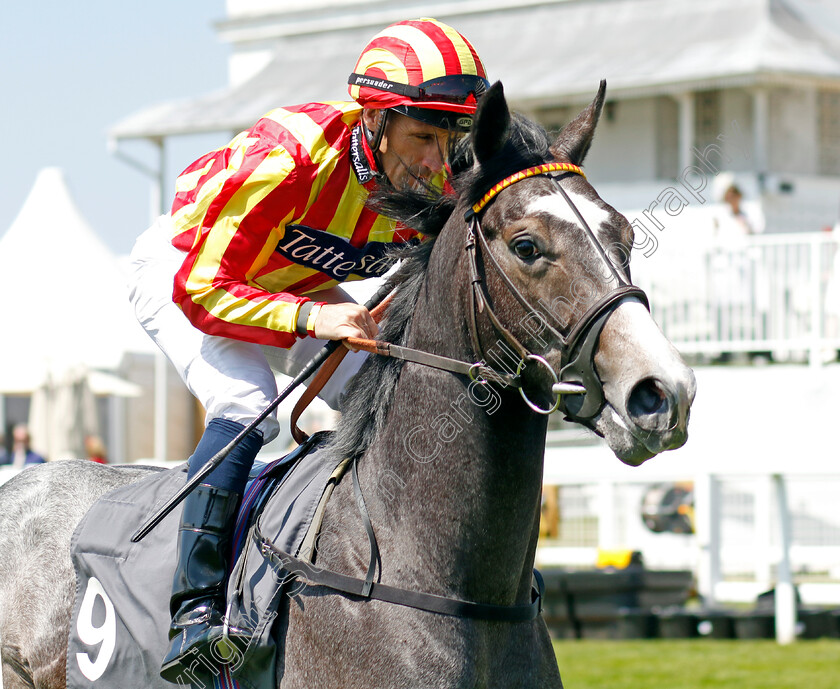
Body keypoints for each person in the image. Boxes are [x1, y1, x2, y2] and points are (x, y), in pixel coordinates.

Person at [126, 18, 488, 680]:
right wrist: (317, 316)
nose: (439, 161)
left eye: (448, 138)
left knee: (395, 391)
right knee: (247, 400)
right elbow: (202, 288)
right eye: (423, 137)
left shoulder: (432, 180)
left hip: (290, 283)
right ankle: (194, 610)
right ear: (373, 119)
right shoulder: (288, 157)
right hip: (184, 266)